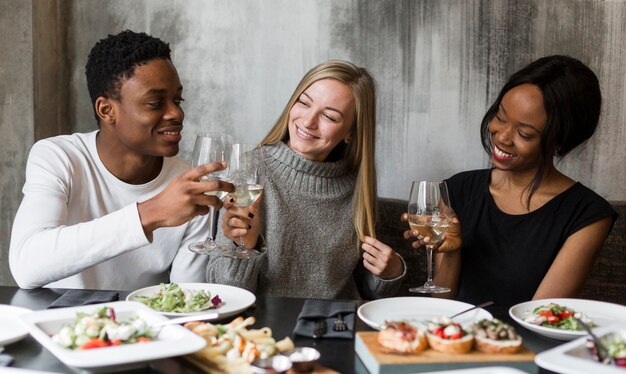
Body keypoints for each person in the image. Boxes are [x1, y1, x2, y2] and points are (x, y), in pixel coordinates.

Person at [9, 30, 233, 290]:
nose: (176, 113)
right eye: (155, 103)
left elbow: (187, 299)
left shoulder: (188, 185)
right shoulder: (60, 157)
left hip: (143, 327)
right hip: (62, 324)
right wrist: (151, 213)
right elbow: (27, 265)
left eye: (177, 100)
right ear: (107, 110)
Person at [404, 55, 617, 309]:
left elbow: (541, 316)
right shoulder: (457, 189)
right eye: (501, 117)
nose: (502, 137)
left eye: (524, 133)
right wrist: (450, 251)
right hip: (455, 342)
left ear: (559, 141)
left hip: (529, 347)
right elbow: (442, 306)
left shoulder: (587, 214)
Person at [206, 60, 407, 299]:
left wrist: (391, 272)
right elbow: (226, 295)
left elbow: (366, 290)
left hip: (337, 328)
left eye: (330, 117)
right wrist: (244, 248)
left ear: (351, 133)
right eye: (304, 103)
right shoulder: (250, 172)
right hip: (267, 330)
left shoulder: (358, 186)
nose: (308, 122)